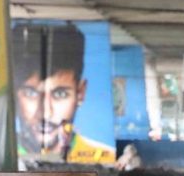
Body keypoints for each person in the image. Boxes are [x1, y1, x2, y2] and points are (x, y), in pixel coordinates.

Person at [14, 24, 115, 163]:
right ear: (13, 95)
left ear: (80, 93)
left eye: (60, 94)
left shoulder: (103, 158)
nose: (46, 113)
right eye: (31, 93)